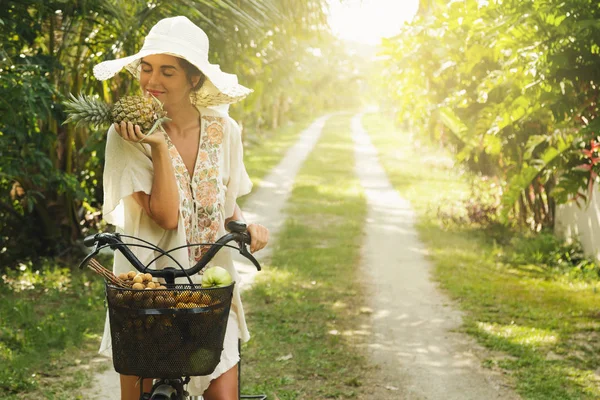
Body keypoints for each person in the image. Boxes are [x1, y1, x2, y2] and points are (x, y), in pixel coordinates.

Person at [93, 16, 269, 400]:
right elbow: (167, 216)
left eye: (167, 71)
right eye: (146, 68)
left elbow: (223, 206)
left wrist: (247, 225)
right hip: (145, 287)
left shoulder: (226, 132)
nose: (151, 81)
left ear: (194, 79)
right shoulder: (127, 135)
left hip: (209, 291)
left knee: (224, 395)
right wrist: (157, 145)